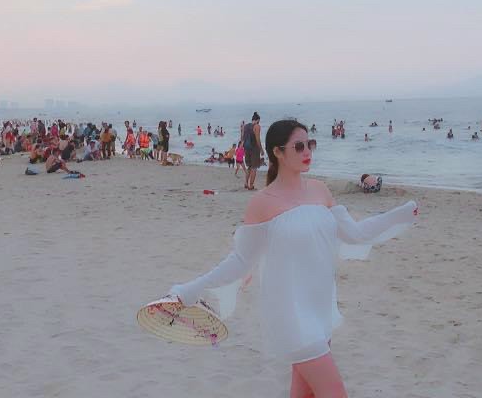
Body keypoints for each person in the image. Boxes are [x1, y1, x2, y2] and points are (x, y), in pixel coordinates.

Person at [167, 120, 418, 398]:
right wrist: (191, 289)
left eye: (310, 144)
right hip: (291, 314)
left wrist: (398, 215)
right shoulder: (262, 202)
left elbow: (355, 234)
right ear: (277, 152)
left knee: (304, 394)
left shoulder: (320, 190)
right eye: (298, 146)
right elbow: (240, 261)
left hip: (320, 310)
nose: (307, 151)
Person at [242, 112, 263, 191]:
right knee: (254, 168)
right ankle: (251, 186)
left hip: (246, 149)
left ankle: (246, 183)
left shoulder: (245, 126)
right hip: (254, 149)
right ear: (258, 120)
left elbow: (242, 138)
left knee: (249, 167)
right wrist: (261, 149)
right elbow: (258, 139)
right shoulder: (257, 126)